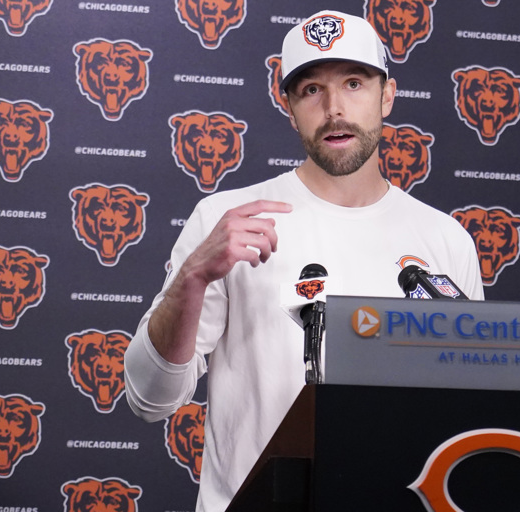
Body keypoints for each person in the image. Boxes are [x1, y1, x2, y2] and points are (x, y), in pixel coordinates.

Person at [124, 10, 484, 511]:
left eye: (354, 83)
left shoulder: (446, 240)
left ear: (387, 96)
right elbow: (149, 399)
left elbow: (466, 416)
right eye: (311, 90)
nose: (334, 109)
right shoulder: (227, 220)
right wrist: (191, 280)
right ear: (289, 107)